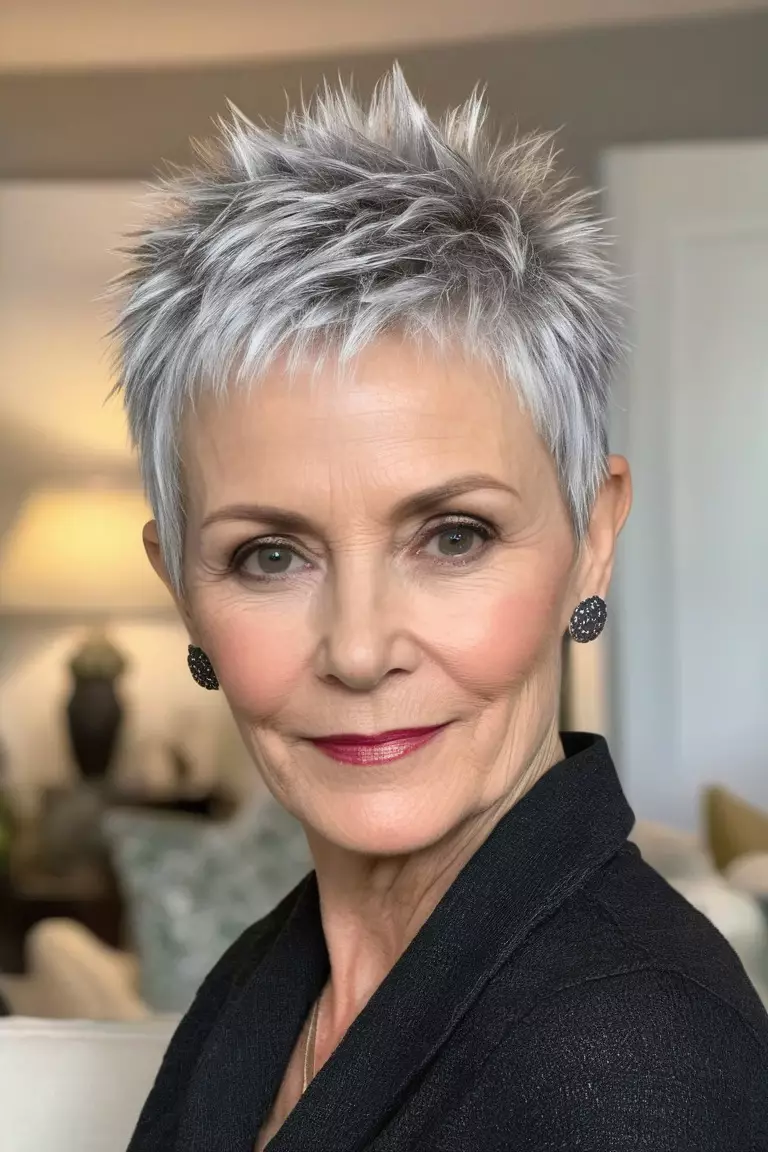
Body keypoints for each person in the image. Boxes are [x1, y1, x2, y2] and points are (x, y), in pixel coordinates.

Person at [112, 66, 768, 1151]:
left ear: (591, 539)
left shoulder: (633, 1068)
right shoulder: (272, 980)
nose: (361, 650)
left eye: (452, 536)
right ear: (180, 585)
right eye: (269, 555)